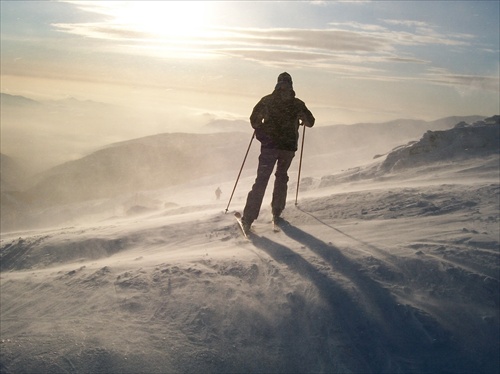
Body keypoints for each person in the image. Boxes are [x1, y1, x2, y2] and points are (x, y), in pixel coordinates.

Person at [241, 72, 315, 233]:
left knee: (261, 180)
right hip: (288, 148)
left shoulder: (267, 100)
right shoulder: (297, 104)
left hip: (269, 146)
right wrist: (302, 118)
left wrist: (260, 125)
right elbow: (310, 122)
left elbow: (254, 120)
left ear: (277, 83)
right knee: (281, 177)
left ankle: (248, 218)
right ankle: (277, 211)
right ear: (291, 85)